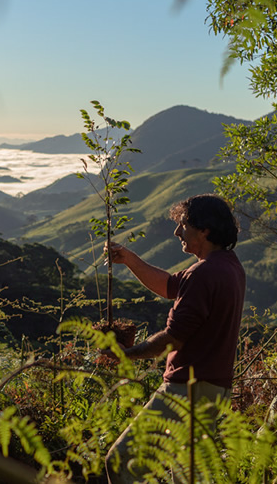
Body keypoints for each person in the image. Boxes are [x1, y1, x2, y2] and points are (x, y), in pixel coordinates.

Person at [103, 193, 245, 484]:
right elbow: (169, 286)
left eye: (183, 224)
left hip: (188, 392)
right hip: (212, 390)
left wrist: (125, 355)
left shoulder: (204, 274)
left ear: (204, 229)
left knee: (121, 463)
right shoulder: (228, 266)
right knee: (184, 477)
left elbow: (172, 339)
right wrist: (129, 259)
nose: (176, 232)